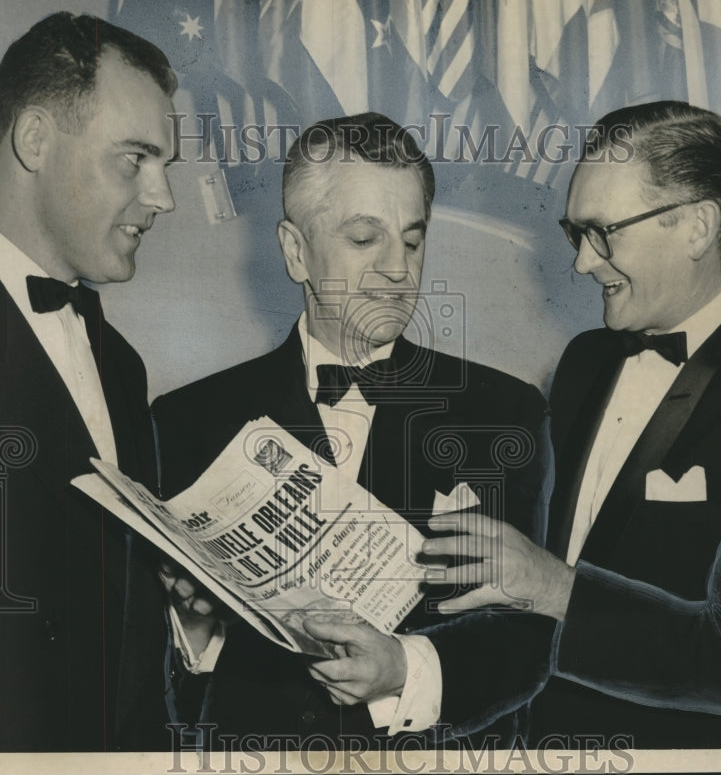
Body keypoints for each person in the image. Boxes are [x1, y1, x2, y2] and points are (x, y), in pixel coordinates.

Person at [421, 101, 721, 748]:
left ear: (697, 227)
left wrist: (554, 586)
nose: (582, 263)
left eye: (603, 232)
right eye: (576, 233)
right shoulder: (583, 362)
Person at [150, 113, 555, 749]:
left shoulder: (505, 412)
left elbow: (526, 639)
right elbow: (157, 668)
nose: (398, 269)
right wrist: (192, 623)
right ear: (295, 252)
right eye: (365, 238)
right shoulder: (185, 420)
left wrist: (404, 671)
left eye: (413, 241)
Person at [0, 12, 180, 751]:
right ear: (34, 140)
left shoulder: (122, 364)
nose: (163, 197)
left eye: (165, 166)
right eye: (135, 159)